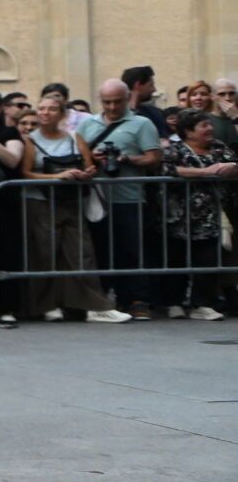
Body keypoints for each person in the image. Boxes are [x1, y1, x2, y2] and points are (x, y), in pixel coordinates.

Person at [18, 97, 131, 323]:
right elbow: (25, 173)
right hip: (40, 202)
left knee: (82, 253)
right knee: (45, 254)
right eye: (42, 108)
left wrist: (85, 174)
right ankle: (46, 305)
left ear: (62, 114)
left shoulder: (74, 137)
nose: (45, 113)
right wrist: (58, 176)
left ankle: (93, 306)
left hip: (71, 200)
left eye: (52, 109)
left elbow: (89, 166)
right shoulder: (30, 140)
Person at [77, 79, 164, 319]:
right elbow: (79, 156)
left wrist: (127, 159)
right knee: (100, 250)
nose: (112, 107)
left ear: (127, 99)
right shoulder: (87, 124)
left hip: (130, 198)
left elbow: (154, 158)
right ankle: (104, 298)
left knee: (132, 250)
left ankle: (136, 299)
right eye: (107, 102)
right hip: (96, 199)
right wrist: (92, 159)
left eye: (117, 102)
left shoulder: (142, 124)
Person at [161, 110, 237, 320]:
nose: (210, 129)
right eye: (204, 125)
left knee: (208, 260)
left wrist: (231, 167)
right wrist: (206, 172)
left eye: (209, 124)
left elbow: (234, 164)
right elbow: (168, 170)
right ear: (188, 131)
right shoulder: (175, 150)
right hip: (180, 218)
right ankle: (174, 302)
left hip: (211, 216)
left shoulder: (219, 147)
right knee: (177, 260)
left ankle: (201, 303)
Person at [123, 65, 167, 139]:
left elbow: (163, 139)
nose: (154, 90)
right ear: (138, 85)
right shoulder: (117, 115)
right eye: (151, 85)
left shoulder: (154, 113)